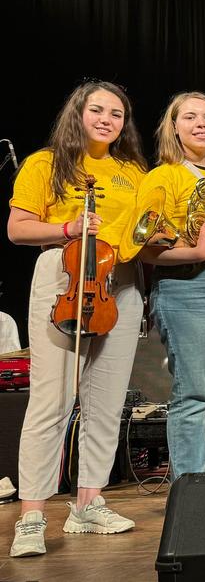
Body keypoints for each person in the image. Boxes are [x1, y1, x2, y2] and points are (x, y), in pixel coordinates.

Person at [7, 81, 146, 557]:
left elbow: (141, 228)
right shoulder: (44, 163)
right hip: (63, 274)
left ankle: (88, 503)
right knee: (51, 402)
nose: (107, 119)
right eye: (97, 110)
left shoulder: (132, 171)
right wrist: (68, 227)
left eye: (117, 113)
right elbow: (17, 228)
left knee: (106, 403)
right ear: (78, 114)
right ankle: (32, 515)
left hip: (120, 282)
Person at [136, 91, 205, 480]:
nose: (201, 124)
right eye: (190, 117)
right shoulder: (162, 176)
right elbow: (145, 250)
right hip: (188, 287)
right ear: (174, 128)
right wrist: (197, 253)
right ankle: (191, 488)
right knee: (196, 393)